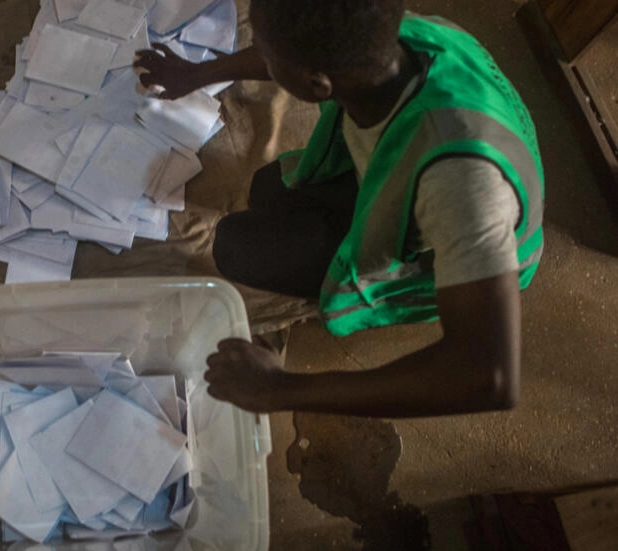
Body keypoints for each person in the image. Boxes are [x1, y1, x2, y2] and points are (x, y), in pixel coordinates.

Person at [134, 0, 544, 417]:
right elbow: (296, 54)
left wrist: (280, 388)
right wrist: (197, 74)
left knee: (236, 247)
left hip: (462, 252)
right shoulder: (391, 38)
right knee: (266, 189)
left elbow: (487, 375)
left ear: (318, 85)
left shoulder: (461, 182)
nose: (264, 61)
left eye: (272, 59)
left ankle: (327, 300)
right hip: (413, 174)